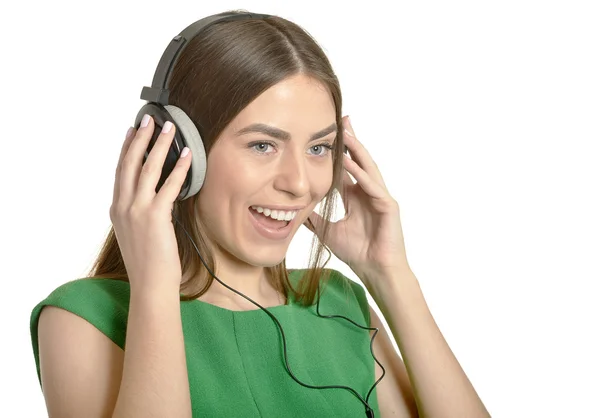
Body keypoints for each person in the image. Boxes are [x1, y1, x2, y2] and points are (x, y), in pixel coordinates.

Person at [29, 10, 490, 418]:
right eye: (263, 145)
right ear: (175, 152)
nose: (301, 183)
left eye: (318, 147)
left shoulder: (339, 305)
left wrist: (391, 275)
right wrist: (155, 288)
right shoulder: (83, 318)